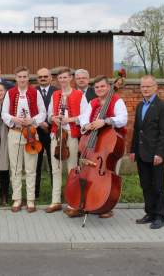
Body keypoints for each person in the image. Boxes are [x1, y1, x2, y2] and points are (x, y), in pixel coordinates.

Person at [77, 75, 128, 218]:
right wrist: (87, 125)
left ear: (108, 87)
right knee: (88, 173)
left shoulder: (117, 101)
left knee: (108, 175)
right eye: (97, 87)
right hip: (93, 145)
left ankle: (106, 206)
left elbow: (123, 119)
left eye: (102, 86)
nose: (99, 89)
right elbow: (84, 118)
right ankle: (86, 201)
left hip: (110, 145)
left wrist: (105, 121)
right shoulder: (93, 102)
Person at [2, 66, 46, 213]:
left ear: (28, 78)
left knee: (31, 168)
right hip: (14, 133)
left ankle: (31, 199)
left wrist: (32, 120)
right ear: (16, 78)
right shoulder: (10, 93)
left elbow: (43, 113)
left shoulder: (35, 93)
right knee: (15, 168)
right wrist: (14, 118)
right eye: (19, 76)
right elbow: (4, 114)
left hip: (32, 133)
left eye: (25, 76)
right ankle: (17, 198)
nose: (22, 79)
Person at [47, 67, 88, 213]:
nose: (63, 80)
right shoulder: (55, 94)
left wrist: (69, 119)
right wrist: (54, 118)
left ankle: (72, 202)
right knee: (56, 169)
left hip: (71, 135)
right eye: (60, 78)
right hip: (56, 135)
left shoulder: (79, 94)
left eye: (65, 77)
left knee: (72, 170)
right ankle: (56, 201)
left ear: (71, 78)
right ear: (58, 80)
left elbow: (85, 116)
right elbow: (49, 114)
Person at [130, 75, 164, 229]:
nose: (145, 89)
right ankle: (150, 212)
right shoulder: (140, 106)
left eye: (148, 86)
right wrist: (133, 150)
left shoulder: (162, 106)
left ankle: (160, 216)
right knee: (145, 185)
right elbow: (137, 130)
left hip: (155, 154)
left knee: (158, 185)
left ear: (155, 88)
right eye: (142, 86)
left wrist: (160, 153)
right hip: (141, 153)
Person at [35, 67, 58, 199]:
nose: (43, 79)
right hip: (36, 134)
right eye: (40, 77)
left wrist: (48, 124)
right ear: (37, 79)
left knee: (53, 164)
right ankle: (36, 194)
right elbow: (30, 110)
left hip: (52, 132)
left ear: (50, 78)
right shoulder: (33, 92)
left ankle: (55, 194)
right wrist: (39, 123)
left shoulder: (57, 92)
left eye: (45, 76)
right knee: (36, 165)